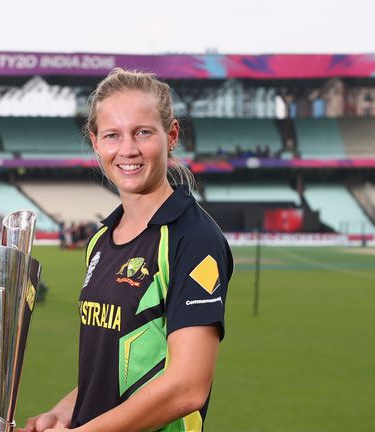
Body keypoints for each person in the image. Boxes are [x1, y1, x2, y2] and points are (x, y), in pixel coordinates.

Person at [23, 69, 233, 432]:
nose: (127, 150)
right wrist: (62, 413)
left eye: (143, 132)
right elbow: (111, 371)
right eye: (112, 135)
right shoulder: (100, 239)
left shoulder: (194, 239)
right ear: (95, 142)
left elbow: (188, 388)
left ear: (172, 135)